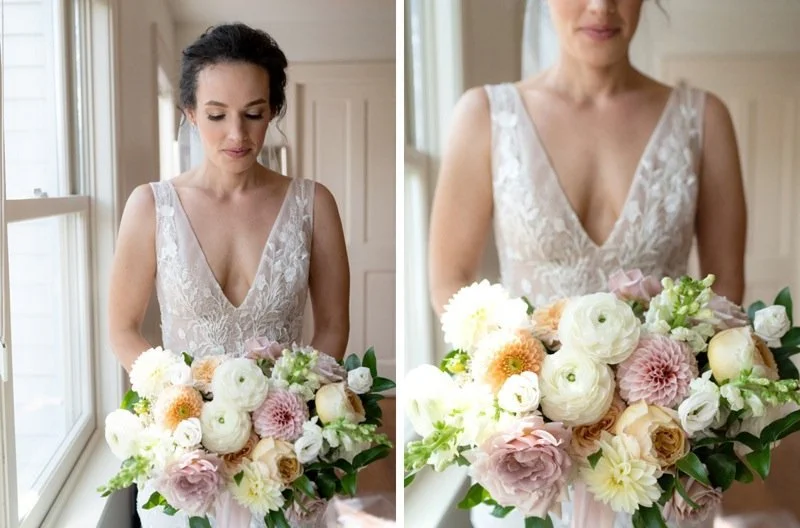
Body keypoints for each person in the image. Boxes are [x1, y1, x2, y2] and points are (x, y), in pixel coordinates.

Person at [428, 0, 746, 527]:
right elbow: (451, 280)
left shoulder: (703, 118)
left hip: (662, 452)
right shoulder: (486, 115)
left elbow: (726, 286)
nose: (601, 6)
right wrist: (522, 389)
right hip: (530, 454)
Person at [108, 23, 350, 528]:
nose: (237, 136)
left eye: (254, 114)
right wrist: (182, 401)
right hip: (186, 453)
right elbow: (123, 328)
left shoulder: (313, 204)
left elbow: (331, 324)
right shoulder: (151, 207)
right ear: (189, 113)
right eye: (217, 116)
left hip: (285, 454)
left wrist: (291, 411)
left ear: (274, 111)